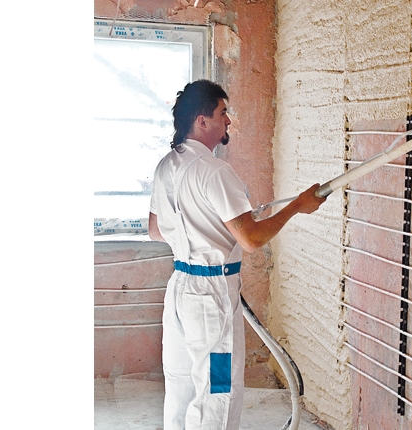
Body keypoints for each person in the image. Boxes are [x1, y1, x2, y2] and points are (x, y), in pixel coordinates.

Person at [148, 79, 327, 430]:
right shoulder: (215, 171)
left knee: (182, 383)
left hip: (181, 291)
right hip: (211, 301)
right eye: (223, 113)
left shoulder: (167, 166)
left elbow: (156, 230)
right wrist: (298, 206)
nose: (228, 120)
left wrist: (198, 231)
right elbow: (251, 239)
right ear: (202, 121)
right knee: (218, 389)